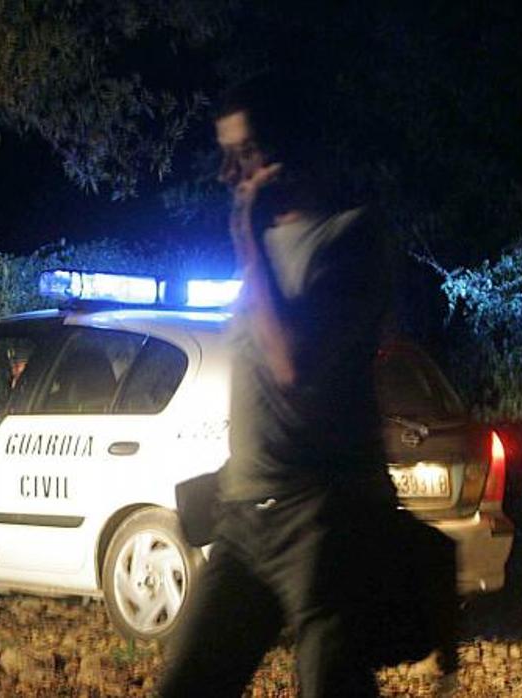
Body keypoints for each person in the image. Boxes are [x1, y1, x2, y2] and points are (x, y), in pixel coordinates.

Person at [160, 72, 451, 697]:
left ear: (289, 150)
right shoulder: (261, 251)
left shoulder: (351, 237)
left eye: (244, 153)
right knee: (188, 684)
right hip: (244, 516)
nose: (227, 173)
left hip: (323, 520)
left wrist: (246, 245)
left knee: (330, 684)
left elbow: (294, 367)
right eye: (223, 155)